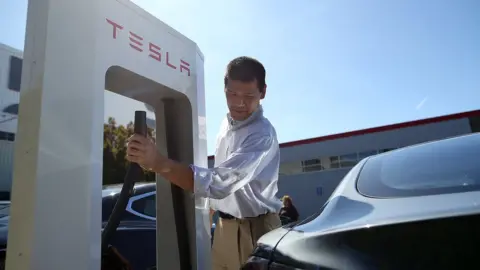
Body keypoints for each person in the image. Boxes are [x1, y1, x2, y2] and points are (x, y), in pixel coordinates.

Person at [126, 56, 282, 269]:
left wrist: (157, 162)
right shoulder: (226, 125)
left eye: (248, 96)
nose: (239, 103)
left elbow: (220, 182)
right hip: (224, 227)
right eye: (232, 94)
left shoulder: (262, 133)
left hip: (256, 230)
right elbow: (218, 179)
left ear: (263, 92)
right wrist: (209, 215)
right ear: (224, 88)